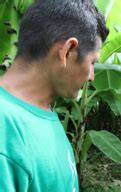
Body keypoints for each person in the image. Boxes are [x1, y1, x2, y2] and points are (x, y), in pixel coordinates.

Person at [0, 0, 108, 191]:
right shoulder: (5, 130)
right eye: (92, 62)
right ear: (67, 51)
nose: (91, 77)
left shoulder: (41, 111)